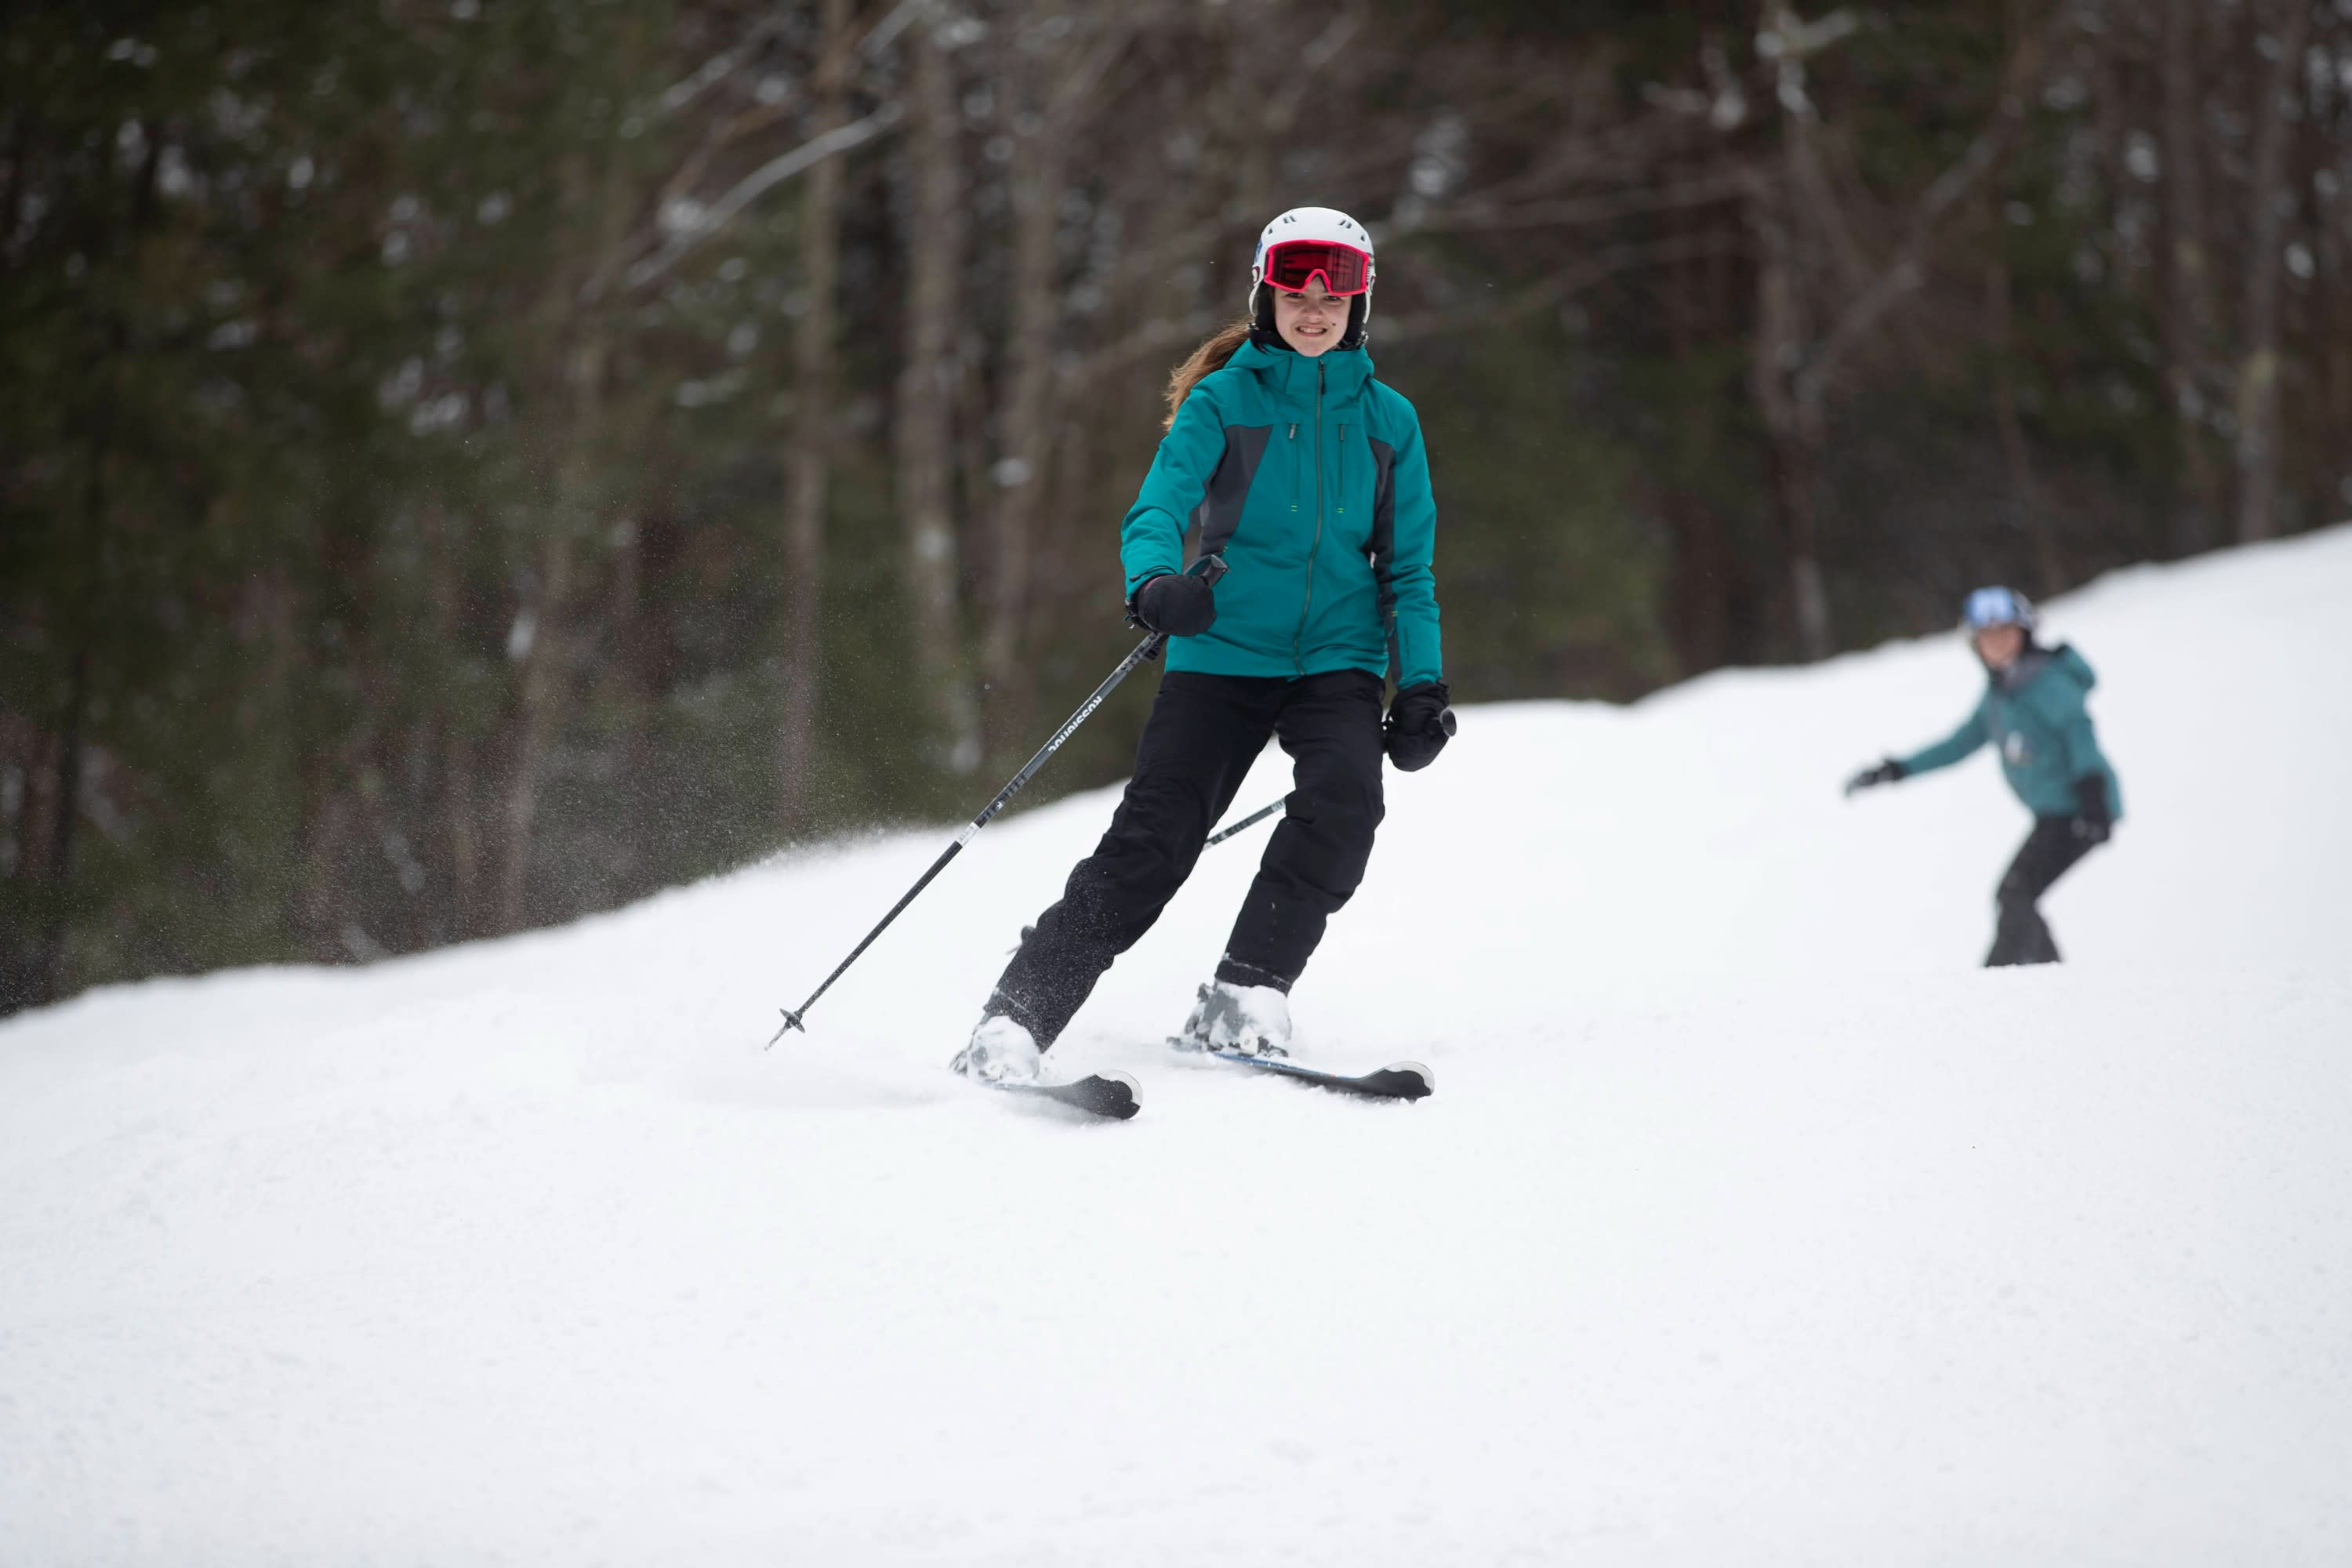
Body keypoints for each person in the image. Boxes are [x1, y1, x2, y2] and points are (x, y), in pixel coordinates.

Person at [952, 205, 1452, 1084]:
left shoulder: (1391, 420)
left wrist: (1421, 687)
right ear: (1266, 292)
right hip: (1221, 652)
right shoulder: (1226, 401)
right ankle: (1016, 1019)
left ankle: (1248, 989)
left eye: (1338, 285)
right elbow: (1158, 507)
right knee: (1155, 841)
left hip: (1338, 658)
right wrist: (1153, 584)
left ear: (1360, 303)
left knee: (1344, 802)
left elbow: (1407, 569)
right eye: (1297, 281)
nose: (1316, 301)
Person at [1846, 586, 2123, 967]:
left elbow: (2080, 734)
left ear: (2025, 633)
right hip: (2054, 812)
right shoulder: (2000, 696)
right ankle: (2022, 980)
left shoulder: (2047, 682)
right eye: (1986, 638)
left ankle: (2023, 982)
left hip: (2078, 809)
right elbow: (1958, 745)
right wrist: (1897, 770)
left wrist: (2093, 797)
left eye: (2005, 633)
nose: (1997, 644)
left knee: (2015, 895)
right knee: (2015, 896)